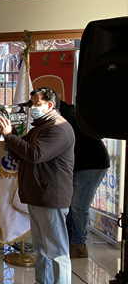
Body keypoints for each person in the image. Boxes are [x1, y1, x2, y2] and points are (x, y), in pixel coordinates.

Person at [0, 87, 75, 284]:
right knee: (40, 246)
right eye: (31, 104)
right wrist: (8, 134)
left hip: (51, 198)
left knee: (57, 251)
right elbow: (20, 152)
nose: (32, 108)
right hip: (38, 195)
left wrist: (10, 137)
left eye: (36, 104)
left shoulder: (59, 128)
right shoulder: (40, 127)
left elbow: (35, 154)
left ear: (50, 105)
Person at [58, 101, 110, 259]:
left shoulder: (67, 117)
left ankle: (79, 245)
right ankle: (70, 241)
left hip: (91, 165)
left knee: (78, 207)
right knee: (70, 206)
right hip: (82, 164)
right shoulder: (69, 114)